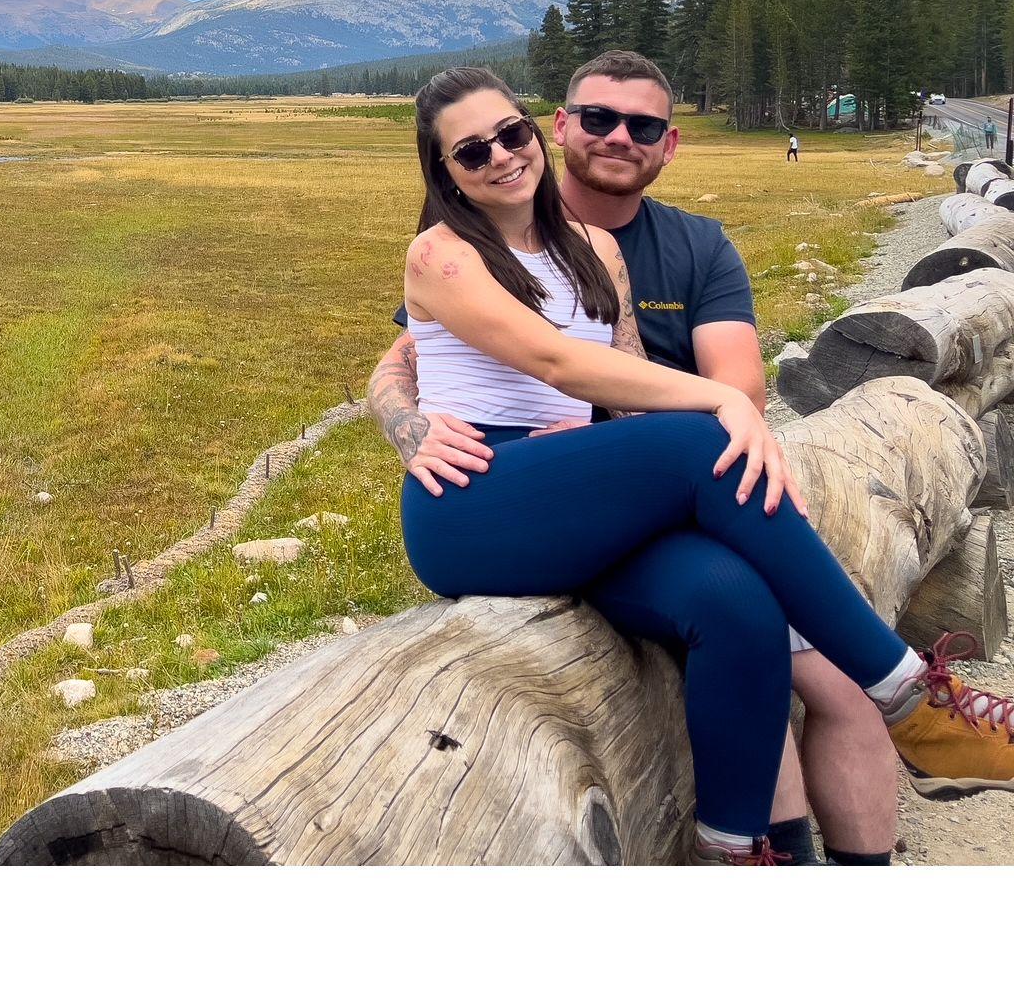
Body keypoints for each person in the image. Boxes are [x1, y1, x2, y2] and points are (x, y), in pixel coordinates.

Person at [381, 61, 1014, 863]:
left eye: (511, 134)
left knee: (734, 603)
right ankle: (910, 698)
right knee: (701, 435)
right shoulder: (441, 256)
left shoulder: (592, 248)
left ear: (536, 131)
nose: (502, 156)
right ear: (445, 174)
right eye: (473, 152)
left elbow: (622, 381)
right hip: (473, 501)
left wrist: (633, 453)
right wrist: (720, 404)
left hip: (571, 500)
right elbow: (555, 365)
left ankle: (736, 851)